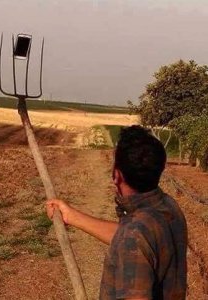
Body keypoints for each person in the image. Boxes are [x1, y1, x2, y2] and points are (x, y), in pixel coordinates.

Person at [46, 125, 187, 300]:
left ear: (116, 175)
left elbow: (132, 240)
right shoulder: (167, 206)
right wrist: (72, 216)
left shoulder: (134, 235)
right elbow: (133, 239)